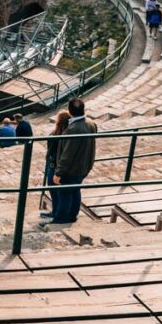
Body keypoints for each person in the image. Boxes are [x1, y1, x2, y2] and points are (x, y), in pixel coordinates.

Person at [41, 98, 97, 228]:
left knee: (64, 193)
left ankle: (60, 219)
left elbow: (67, 155)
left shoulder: (73, 129)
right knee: (75, 191)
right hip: (84, 166)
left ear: (70, 111)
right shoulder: (91, 123)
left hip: (72, 169)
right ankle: (72, 215)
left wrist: (59, 173)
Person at [41, 111, 71, 219]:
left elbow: (50, 151)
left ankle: (56, 213)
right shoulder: (70, 135)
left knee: (54, 191)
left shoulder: (54, 135)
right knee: (61, 193)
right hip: (65, 167)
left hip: (54, 166)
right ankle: (57, 212)